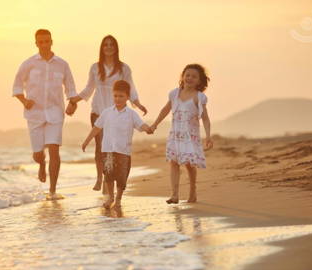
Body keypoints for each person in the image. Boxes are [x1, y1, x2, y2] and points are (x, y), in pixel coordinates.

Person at [67, 35, 147, 192]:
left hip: (118, 113)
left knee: (115, 148)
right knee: (101, 147)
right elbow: (88, 89)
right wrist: (73, 101)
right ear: (102, 48)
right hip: (99, 111)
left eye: (111, 45)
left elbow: (130, 88)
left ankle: (110, 178)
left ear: (116, 48)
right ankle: (101, 178)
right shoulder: (95, 67)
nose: (108, 47)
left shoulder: (124, 68)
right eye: (105, 45)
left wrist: (137, 103)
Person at [12, 29, 77, 199]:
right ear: (36, 43)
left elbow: (70, 86)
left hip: (55, 113)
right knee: (38, 154)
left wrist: (72, 103)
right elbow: (17, 86)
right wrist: (24, 101)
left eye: (47, 41)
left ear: (51, 41)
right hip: (34, 114)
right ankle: (41, 164)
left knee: (54, 149)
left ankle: (53, 191)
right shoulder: (28, 64)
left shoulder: (62, 64)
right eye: (40, 42)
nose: (44, 45)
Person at [82, 80, 152, 208]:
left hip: (123, 151)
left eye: (121, 96)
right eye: (115, 96)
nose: (118, 99)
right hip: (107, 150)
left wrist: (148, 128)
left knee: (121, 177)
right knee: (108, 176)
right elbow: (96, 128)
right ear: (112, 95)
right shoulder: (107, 112)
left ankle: (118, 199)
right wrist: (86, 141)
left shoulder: (131, 114)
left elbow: (141, 125)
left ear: (127, 97)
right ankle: (111, 198)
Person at [150, 64, 213, 204]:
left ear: (199, 81)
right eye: (188, 75)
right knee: (174, 162)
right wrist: (155, 124)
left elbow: (206, 119)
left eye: (194, 76)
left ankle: (192, 191)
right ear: (182, 76)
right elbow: (165, 110)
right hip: (175, 135)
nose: (190, 78)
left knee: (190, 164)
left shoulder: (199, 97)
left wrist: (208, 136)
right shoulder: (174, 94)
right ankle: (174, 195)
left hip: (190, 137)